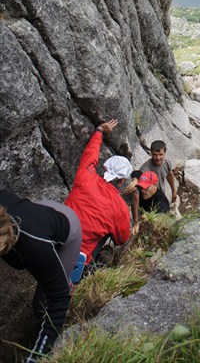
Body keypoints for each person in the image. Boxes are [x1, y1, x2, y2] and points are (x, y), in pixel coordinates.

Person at [0, 191, 82, 361]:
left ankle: (64, 276)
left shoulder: (34, 246)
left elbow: (58, 299)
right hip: (40, 209)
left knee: (42, 304)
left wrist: (36, 356)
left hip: (66, 231)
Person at [65, 119, 132, 267]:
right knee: (108, 232)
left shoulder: (86, 176)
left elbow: (90, 155)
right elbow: (121, 239)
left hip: (56, 236)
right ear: (121, 180)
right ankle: (86, 270)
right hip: (76, 256)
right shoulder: (120, 207)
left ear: (105, 168)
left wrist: (99, 131)